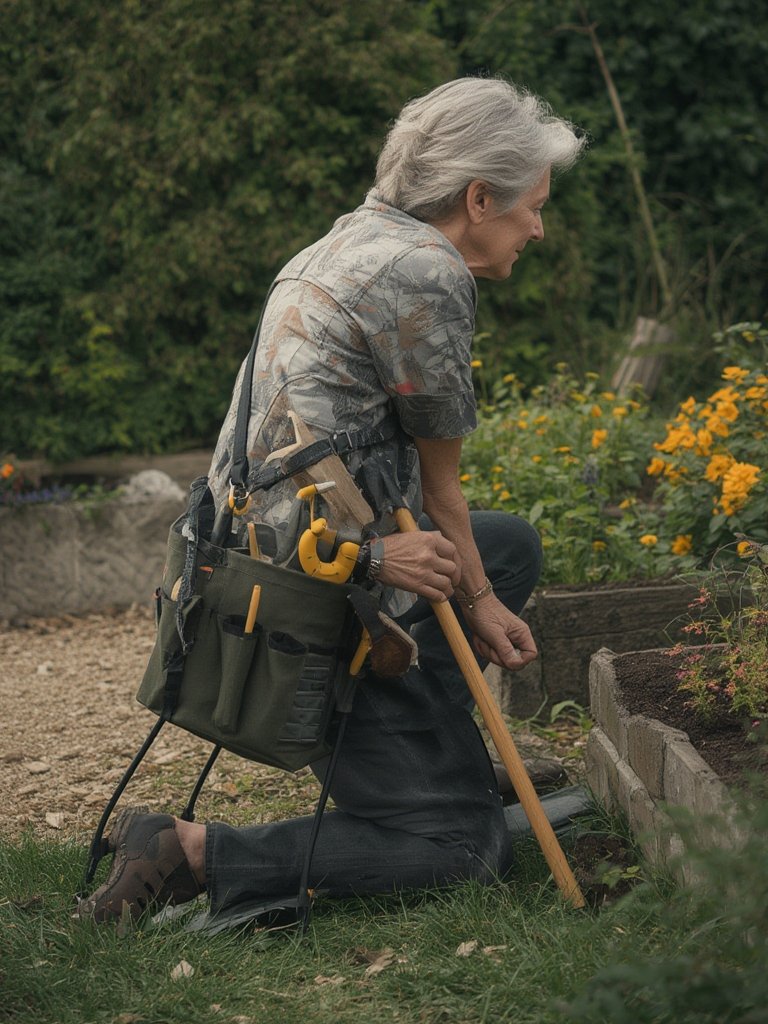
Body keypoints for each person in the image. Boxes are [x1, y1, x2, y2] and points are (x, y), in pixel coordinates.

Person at [80, 77, 585, 923]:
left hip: (247, 566)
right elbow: (438, 487)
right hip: (302, 602)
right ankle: (188, 850)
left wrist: (475, 585)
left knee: (504, 547)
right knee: (462, 849)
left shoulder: (352, 238)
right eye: (532, 206)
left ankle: (434, 763)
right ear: (478, 196)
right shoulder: (426, 273)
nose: (538, 226)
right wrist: (388, 560)